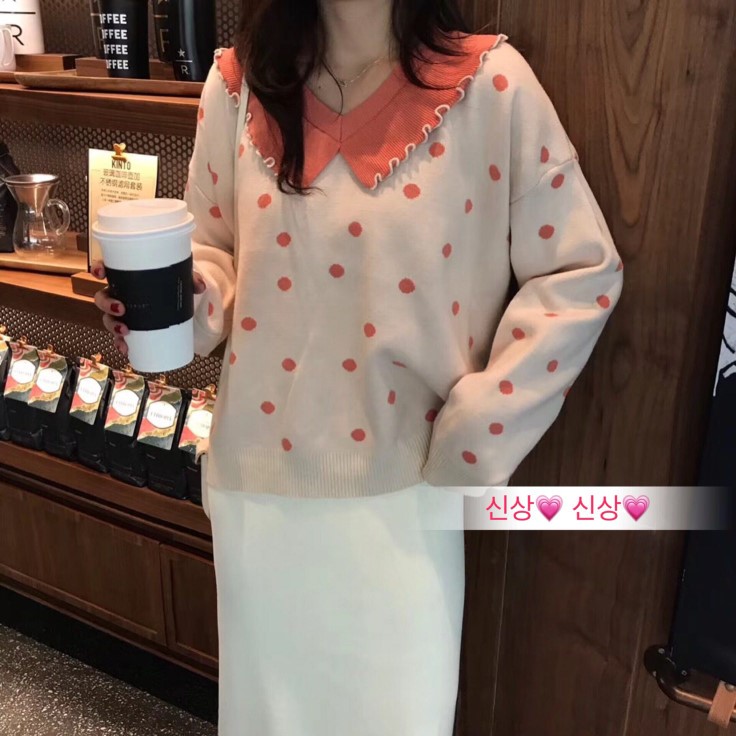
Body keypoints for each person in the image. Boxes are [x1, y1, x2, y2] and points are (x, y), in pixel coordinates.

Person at [93, 0, 623, 733]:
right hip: (260, 494)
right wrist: (176, 301)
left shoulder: (491, 87)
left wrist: (481, 431)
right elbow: (216, 251)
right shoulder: (237, 85)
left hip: (408, 498)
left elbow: (581, 272)